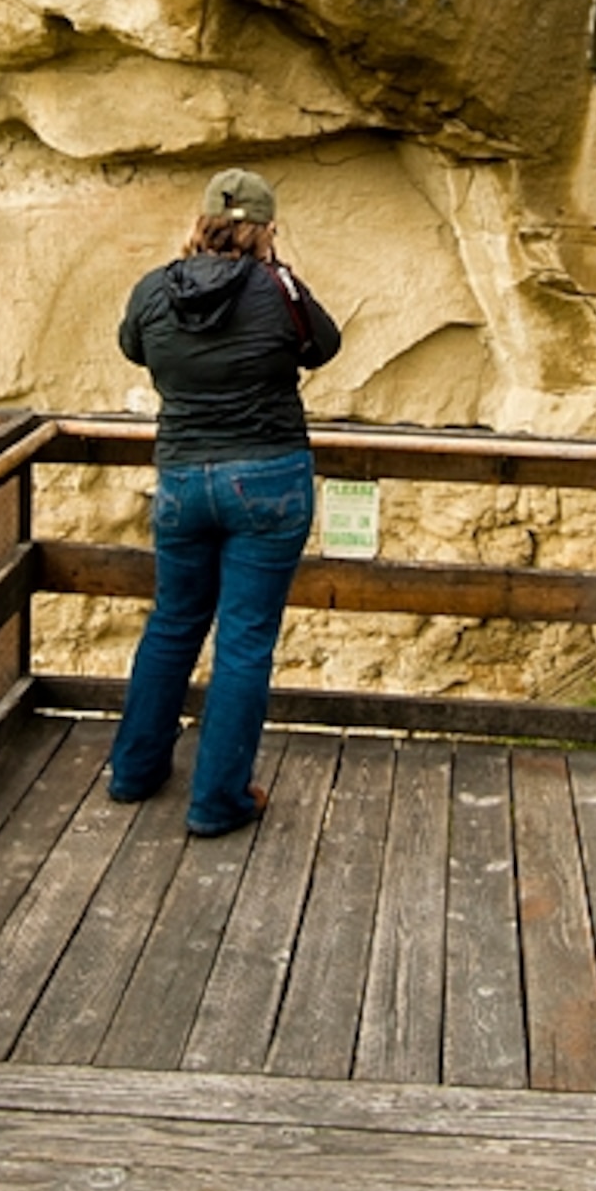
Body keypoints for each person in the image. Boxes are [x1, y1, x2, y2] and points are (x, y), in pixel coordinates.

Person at [109, 166, 344, 836]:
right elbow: (324, 346)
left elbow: (132, 347)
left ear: (200, 224)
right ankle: (217, 802)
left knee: (172, 623)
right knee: (243, 642)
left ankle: (134, 771)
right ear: (264, 229)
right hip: (268, 476)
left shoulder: (155, 288)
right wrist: (281, 273)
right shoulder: (278, 286)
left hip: (183, 478)